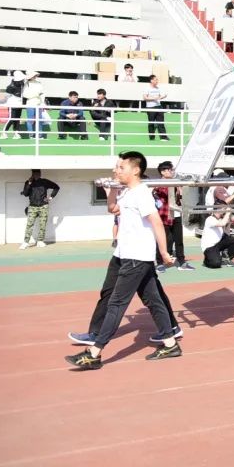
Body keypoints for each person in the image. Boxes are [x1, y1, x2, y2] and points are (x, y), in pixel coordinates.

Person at [65, 151, 181, 370]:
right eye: (116, 167)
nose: (115, 171)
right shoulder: (128, 192)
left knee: (117, 303)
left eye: (120, 168)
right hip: (122, 255)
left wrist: (164, 253)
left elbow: (156, 222)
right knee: (153, 300)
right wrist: (110, 192)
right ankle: (170, 343)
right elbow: (113, 210)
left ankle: (94, 353)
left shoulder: (141, 194)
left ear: (135, 170)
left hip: (136, 258)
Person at [154, 161, 191, 270]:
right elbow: (154, 194)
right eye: (170, 170)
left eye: (172, 169)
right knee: (164, 240)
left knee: (179, 239)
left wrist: (179, 188)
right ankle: (160, 262)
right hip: (164, 215)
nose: (172, 172)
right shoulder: (158, 184)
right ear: (163, 172)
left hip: (176, 214)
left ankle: (182, 261)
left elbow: (181, 197)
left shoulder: (175, 182)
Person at [20, 169, 59, 249]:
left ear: (40, 174)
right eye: (35, 173)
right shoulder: (28, 182)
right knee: (29, 225)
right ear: (32, 174)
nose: (37, 175)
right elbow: (26, 194)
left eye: (38, 173)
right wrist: (29, 183)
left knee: (43, 224)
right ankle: (26, 242)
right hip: (32, 206)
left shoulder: (44, 181)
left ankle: (40, 241)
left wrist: (51, 197)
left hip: (43, 206)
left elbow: (56, 187)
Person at [143, 75, 170, 141]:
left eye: (157, 80)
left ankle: (163, 137)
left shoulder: (158, 88)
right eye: (155, 80)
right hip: (150, 107)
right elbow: (145, 98)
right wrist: (154, 98)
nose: (157, 81)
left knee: (161, 122)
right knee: (151, 123)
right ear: (151, 80)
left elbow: (159, 97)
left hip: (159, 106)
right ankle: (152, 137)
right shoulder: (147, 88)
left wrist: (163, 96)